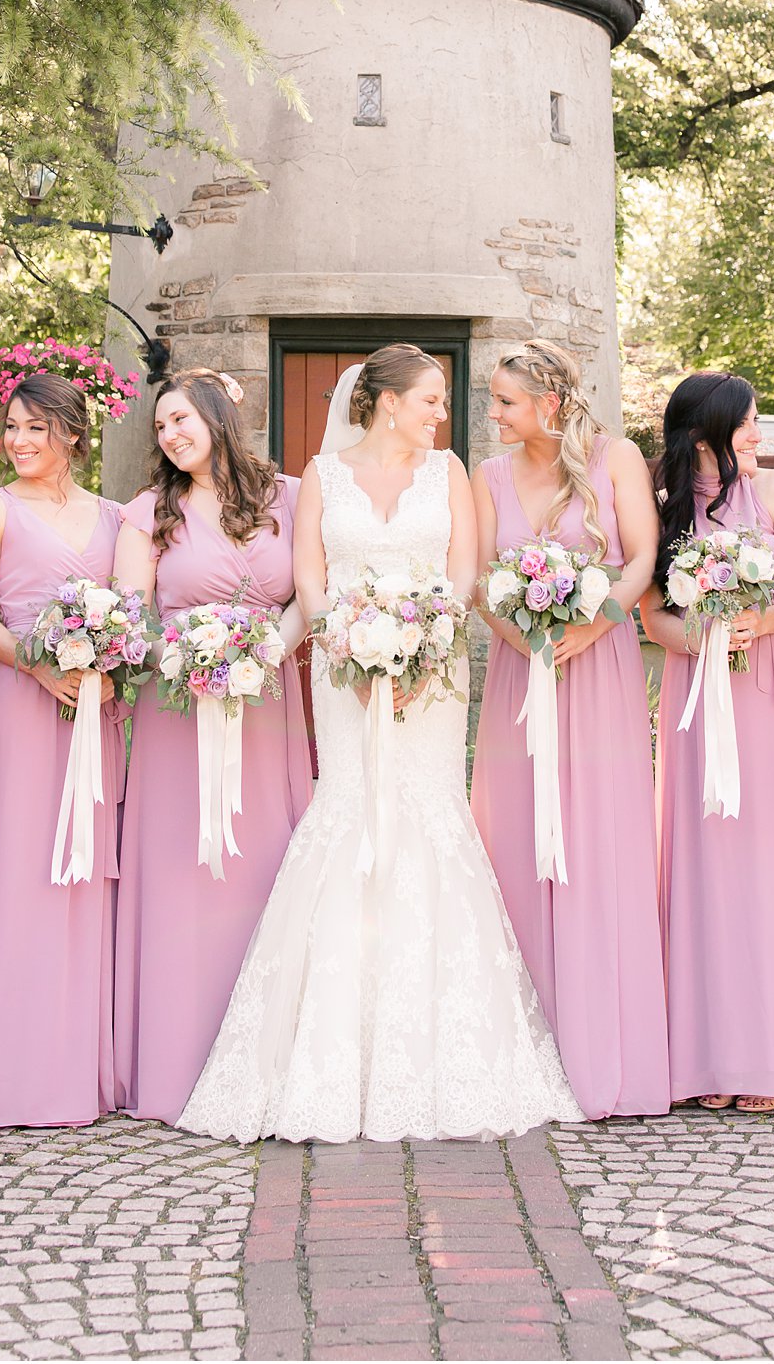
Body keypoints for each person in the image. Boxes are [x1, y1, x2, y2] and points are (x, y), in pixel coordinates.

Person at [179, 343, 580, 1142]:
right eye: (431, 399)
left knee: (430, 818)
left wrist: (423, 658)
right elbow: (314, 578)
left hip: (432, 680)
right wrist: (353, 657)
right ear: (388, 401)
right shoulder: (323, 475)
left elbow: (464, 578)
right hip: (343, 672)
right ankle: (329, 1056)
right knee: (352, 812)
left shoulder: (450, 473)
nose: (443, 414)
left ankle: (442, 1053)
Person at [469, 339, 669, 1118]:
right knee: (517, 837)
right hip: (525, 672)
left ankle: (606, 1052)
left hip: (602, 667)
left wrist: (599, 623)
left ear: (547, 405)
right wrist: (529, 642)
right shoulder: (489, 476)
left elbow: (643, 557)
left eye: (506, 401)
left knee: (598, 842)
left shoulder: (615, 457)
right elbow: (486, 577)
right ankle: (526, 1052)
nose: (493, 413)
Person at [112, 368, 312, 1121]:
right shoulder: (149, 513)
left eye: (180, 417)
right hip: (180, 709)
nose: (169, 434)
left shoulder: (287, 497)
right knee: (186, 873)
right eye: (160, 425)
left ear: (218, 413)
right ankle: (175, 1065)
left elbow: (304, 594)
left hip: (269, 705)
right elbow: (132, 616)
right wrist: (191, 654)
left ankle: (266, 1064)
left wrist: (262, 652)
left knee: (264, 869)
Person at [640, 372, 774, 1113]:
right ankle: (712, 1055)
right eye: (749, 424)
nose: (760, 436)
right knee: (709, 875)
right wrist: (700, 632)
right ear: (705, 437)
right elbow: (652, 616)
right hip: (701, 702)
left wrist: (763, 623)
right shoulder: (664, 506)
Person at [0, 369, 125, 1131]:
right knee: (23, 866)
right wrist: (35, 662)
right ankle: (15, 1071)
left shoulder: (116, 517)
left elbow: (132, 612)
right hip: (23, 710)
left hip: (96, 712)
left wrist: (109, 666)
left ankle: (82, 1065)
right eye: (11, 428)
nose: (18, 441)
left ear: (73, 434)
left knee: (90, 870)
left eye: (35, 427)